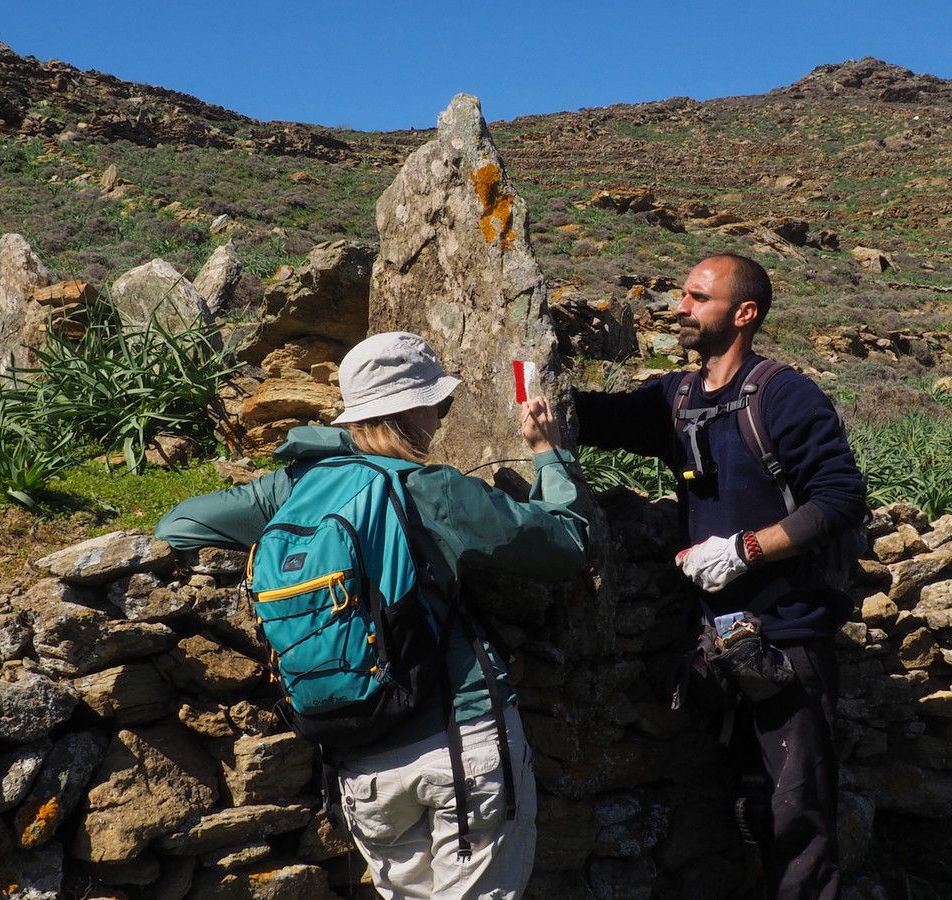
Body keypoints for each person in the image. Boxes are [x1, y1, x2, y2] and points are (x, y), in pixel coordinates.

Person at [156, 331, 592, 899]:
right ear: (413, 408)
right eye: (439, 403)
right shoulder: (427, 487)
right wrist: (548, 454)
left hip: (358, 757)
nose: (441, 415)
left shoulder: (293, 488)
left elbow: (178, 527)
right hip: (458, 739)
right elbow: (565, 544)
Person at [574, 254, 866, 900]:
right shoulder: (676, 398)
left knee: (797, 827)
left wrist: (748, 549)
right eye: (682, 294)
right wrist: (531, 392)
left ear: (744, 314)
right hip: (715, 648)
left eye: (696, 297)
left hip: (787, 643)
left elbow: (842, 499)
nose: (679, 307)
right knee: (734, 815)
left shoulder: (783, 395)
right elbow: (601, 419)